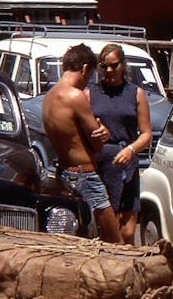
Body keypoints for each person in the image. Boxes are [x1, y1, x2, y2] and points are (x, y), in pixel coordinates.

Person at [42, 43, 122, 243]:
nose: (87, 81)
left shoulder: (49, 97)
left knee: (73, 240)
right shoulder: (75, 96)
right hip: (84, 174)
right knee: (114, 241)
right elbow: (97, 144)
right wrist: (104, 133)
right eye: (90, 74)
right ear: (85, 68)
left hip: (62, 172)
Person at [88, 44, 153, 245]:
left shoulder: (135, 93)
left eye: (114, 66)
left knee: (127, 232)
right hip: (101, 165)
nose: (109, 71)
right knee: (107, 231)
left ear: (123, 65)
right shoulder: (91, 93)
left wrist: (131, 149)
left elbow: (146, 134)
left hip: (127, 166)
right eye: (104, 66)